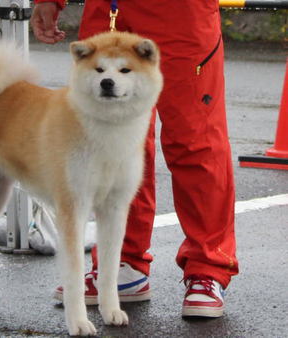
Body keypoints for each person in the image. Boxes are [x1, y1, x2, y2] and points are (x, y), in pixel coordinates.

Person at [31, 0, 239, 317]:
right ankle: (123, 264)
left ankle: (207, 267)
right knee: (110, 140)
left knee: (195, 137)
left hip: (179, 13)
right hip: (108, 10)